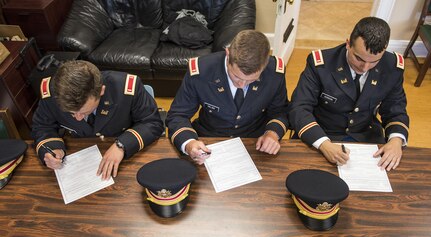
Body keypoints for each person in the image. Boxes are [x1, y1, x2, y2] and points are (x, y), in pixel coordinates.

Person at [288, 17, 409, 171]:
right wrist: (323, 144)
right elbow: (299, 107)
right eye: (358, 58)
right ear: (348, 44)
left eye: (374, 62)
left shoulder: (393, 66)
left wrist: (396, 140)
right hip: (323, 133)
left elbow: (395, 109)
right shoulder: (321, 63)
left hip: (365, 135)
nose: (365, 67)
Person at [166, 30, 289, 164]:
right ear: (228, 53)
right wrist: (189, 143)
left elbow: (280, 111)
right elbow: (178, 115)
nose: (241, 85)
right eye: (236, 76)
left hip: (255, 144)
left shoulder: (274, 73)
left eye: (251, 80)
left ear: (265, 65)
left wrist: (272, 133)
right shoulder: (202, 71)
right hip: (207, 142)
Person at [32, 60, 164, 179]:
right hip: (80, 159)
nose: (78, 119)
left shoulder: (126, 87)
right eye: (72, 113)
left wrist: (122, 145)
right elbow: (42, 126)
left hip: (126, 160)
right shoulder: (52, 92)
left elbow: (151, 123)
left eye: (84, 112)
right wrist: (52, 149)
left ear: (101, 91)